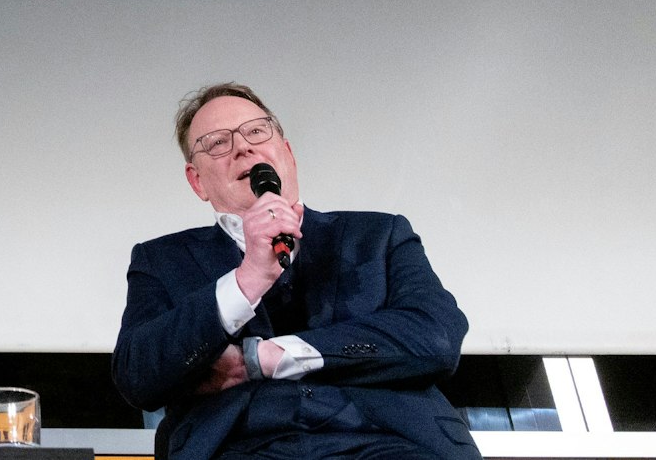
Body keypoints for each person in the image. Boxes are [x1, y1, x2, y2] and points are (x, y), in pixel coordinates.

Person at [114, 83, 480, 460]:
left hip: (392, 441)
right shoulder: (160, 259)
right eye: (218, 143)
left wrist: (267, 357)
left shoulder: (379, 235)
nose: (243, 147)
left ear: (287, 153)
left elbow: (435, 336)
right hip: (237, 447)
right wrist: (247, 280)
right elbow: (137, 375)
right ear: (197, 181)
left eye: (256, 131)